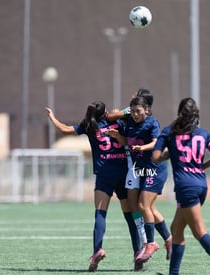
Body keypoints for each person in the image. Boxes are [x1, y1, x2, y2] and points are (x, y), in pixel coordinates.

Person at [45, 101, 140, 272]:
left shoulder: (90, 126)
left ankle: (98, 250)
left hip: (104, 174)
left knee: (100, 214)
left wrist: (52, 117)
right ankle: (138, 252)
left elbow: (64, 129)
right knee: (130, 216)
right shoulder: (118, 122)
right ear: (105, 112)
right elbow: (131, 124)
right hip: (122, 172)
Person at [152, 97, 210, 275]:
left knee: (199, 232)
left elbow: (156, 157)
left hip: (185, 187)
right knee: (176, 229)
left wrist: (169, 154)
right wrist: (202, 166)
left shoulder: (168, 132)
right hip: (200, 185)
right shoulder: (203, 134)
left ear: (179, 113)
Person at [107, 95, 171, 268]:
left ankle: (150, 243)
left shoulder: (152, 123)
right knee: (137, 206)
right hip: (137, 169)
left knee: (144, 206)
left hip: (153, 168)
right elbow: (126, 141)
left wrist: (143, 147)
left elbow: (157, 142)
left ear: (147, 110)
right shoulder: (129, 124)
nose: (135, 114)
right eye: (133, 111)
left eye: (138, 111)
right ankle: (163, 240)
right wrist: (116, 135)